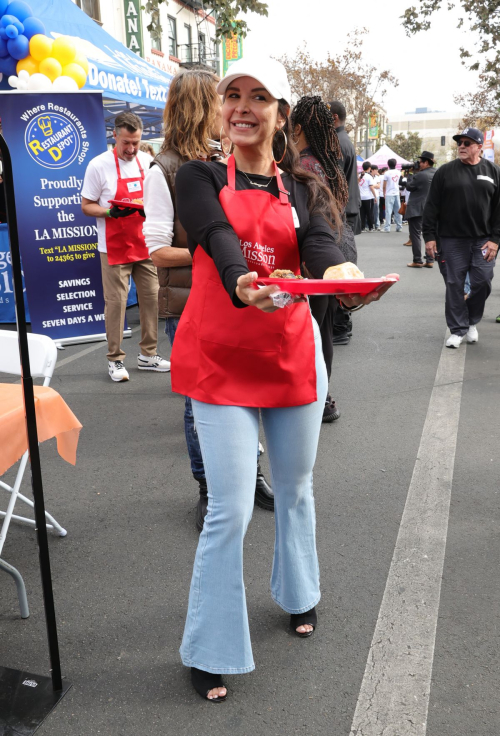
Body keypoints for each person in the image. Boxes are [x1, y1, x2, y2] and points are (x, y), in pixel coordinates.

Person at [170, 56, 395, 702]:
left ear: (279, 113)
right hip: (221, 363)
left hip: (293, 357)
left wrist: (343, 281)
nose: (242, 107)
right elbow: (214, 235)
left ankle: (300, 592)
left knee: (296, 489)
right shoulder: (199, 174)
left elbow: (322, 249)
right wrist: (242, 279)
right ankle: (209, 646)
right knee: (231, 508)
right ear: (219, 108)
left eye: (258, 97)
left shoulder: (301, 186)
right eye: (231, 95)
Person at [143, 69, 273, 529]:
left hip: (240, 300)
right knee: (199, 404)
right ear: (202, 107)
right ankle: (208, 488)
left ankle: (250, 475)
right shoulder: (165, 169)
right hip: (192, 301)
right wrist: (220, 250)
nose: (236, 108)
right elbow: (155, 249)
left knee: (248, 390)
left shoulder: (228, 161)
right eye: (225, 97)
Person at [81, 112, 170, 381]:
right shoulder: (98, 165)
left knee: (152, 299)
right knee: (117, 303)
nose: (131, 149)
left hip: (146, 245)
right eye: (126, 143)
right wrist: (110, 213)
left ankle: (148, 354)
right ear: (115, 137)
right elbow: (86, 205)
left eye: (135, 142)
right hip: (114, 247)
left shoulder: (148, 161)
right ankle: (115, 358)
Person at [290, 94, 352, 422]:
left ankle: (320, 398)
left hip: (312, 260)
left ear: (297, 127)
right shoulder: (326, 162)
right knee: (322, 331)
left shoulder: (304, 165)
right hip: (328, 255)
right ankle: (323, 397)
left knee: (311, 333)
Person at [423, 127, 500, 348]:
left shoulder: (494, 171)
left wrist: (495, 239)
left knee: (482, 282)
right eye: (460, 143)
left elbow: (498, 211)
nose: (462, 147)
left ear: (478, 146)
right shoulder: (445, 172)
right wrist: (429, 236)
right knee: (455, 285)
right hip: (451, 240)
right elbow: (431, 207)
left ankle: (471, 321)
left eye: (467, 143)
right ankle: (457, 330)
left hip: (483, 240)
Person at [328, 100, 361, 235]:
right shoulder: (343, 139)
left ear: (334, 117)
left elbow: (335, 181)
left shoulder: (338, 142)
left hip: (342, 212)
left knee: (340, 255)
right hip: (346, 209)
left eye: (325, 115)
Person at [405, 151, 436, 268]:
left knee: (416, 234)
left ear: (426, 162)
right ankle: (430, 260)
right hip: (432, 208)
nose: (419, 164)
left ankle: (417, 260)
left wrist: (409, 174)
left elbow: (409, 187)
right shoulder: (437, 173)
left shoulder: (420, 175)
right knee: (430, 233)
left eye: (420, 162)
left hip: (417, 208)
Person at [382, 159, 403, 232]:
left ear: (388, 164)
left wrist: (384, 193)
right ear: (395, 164)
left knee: (388, 211)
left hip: (389, 194)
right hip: (396, 193)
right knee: (398, 210)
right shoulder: (399, 172)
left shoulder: (387, 173)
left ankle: (387, 227)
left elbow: (384, 185)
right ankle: (399, 226)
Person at [359, 161, 376, 232]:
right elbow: (371, 187)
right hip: (368, 197)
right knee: (369, 213)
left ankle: (362, 227)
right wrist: (375, 196)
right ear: (369, 168)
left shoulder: (358, 176)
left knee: (362, 213)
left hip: (360, 197)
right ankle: (370, 227)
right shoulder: (369, 177)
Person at [370, 164, 381, 230]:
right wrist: (374, 185)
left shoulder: (377, 177)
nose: (377, 171)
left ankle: (377, 225)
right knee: (370, 211)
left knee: (376, 211)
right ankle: (370, 224)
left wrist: (372, 186)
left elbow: (379, 186)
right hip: (370, 196)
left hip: (376, 195)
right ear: (372, 170)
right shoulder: (368, 176)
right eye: (376, 170)